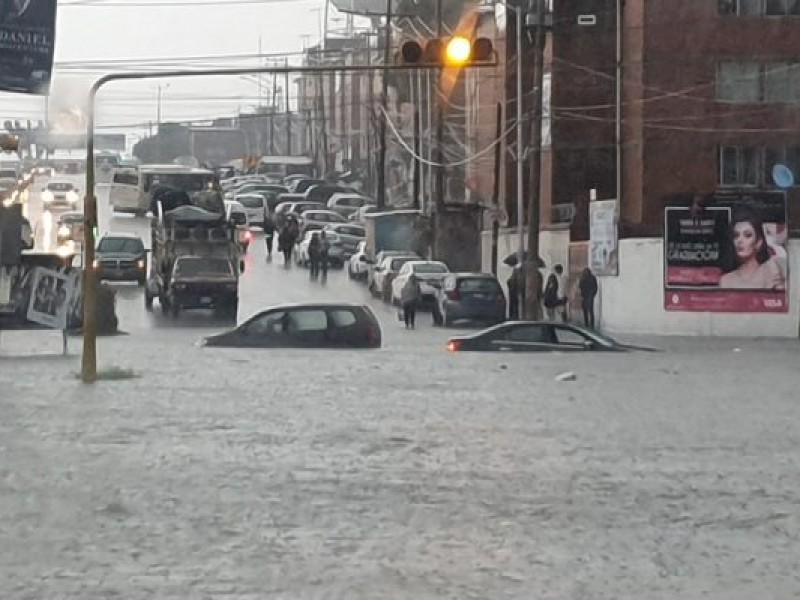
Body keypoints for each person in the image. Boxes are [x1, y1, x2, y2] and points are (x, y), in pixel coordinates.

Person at [719, 210, 786, 290]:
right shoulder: (727, 281)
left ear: (759, 242)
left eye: (747, 235)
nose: (740, 240)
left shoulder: (773, 269)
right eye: (736, 236)